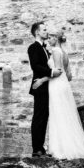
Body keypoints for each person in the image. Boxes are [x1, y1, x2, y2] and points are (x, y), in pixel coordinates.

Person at [32, 30, 84, 160]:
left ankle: (60, 148)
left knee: (58, 114)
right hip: (62, 85)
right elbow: (69, 76)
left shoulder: (56, 52)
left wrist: (41, 80)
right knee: (63, 114)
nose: (49, 40)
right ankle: (65, 145)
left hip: (56, 85)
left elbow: (57, 71)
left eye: (51, 37)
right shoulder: (64, 53)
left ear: (56, 40)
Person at [27, 21, 62, 157]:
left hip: (47, 86)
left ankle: (41, 148)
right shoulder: (33, 47)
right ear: (37, 32)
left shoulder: (45, 48)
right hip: (39, 86)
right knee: (38, 117)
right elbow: (35, 66)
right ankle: (36, 149)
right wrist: (51, 72)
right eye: (44, 30)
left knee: (45, 116)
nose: (46, 32)